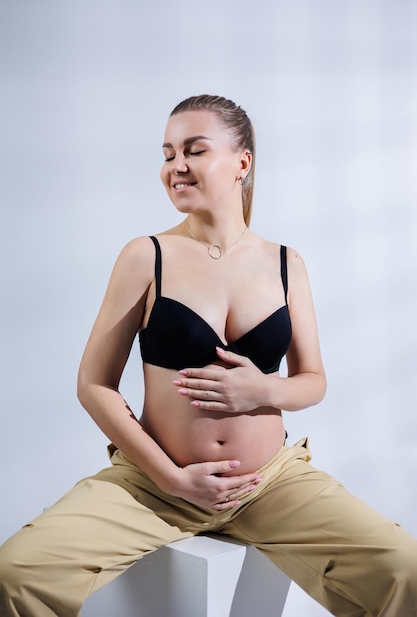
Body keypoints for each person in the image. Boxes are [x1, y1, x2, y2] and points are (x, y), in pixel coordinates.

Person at [0, 94, 416, 617]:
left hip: (270, 482)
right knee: (15, 573)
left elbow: (313, 379)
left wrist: (262, 390)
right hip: (155, 484)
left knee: (406, 570)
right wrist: (171, 477)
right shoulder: (146, 255)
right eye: (168, 153)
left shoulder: (287, 263)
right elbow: (94, 384)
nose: (176, 166)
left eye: (194, 150)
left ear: (243, 163)